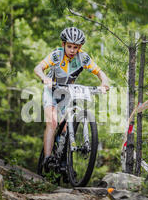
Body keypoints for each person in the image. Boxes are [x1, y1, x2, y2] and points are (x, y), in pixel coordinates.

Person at [34, 26, 110, 168]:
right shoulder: (56, 55)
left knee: (66, 128)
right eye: (69, 46)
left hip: (67, 93)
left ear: (80, 47)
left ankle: (65, 160)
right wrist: (44, 77)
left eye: (76, 47)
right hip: (52, 90)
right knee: (53, 122)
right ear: (63, 44)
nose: (72, 50)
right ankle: (47, 158)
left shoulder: (83, 57)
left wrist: (104, 82)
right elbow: (38, 68)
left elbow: (100, 72)